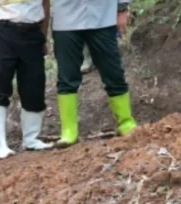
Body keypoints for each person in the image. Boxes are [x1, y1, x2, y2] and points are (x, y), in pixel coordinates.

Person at [51, 0, 137, 148]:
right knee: (67, 75)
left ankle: (126, 122)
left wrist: (122, 8)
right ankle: (69, 131)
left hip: (103, 16)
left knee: (113, 71)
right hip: (65, 18)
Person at [0, 0, 52, 160]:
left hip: (32, 32)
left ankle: (31, 139)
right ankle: (0, 145)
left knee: (34, 85)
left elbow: (45, 5)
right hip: (1, 32)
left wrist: (43, 38)